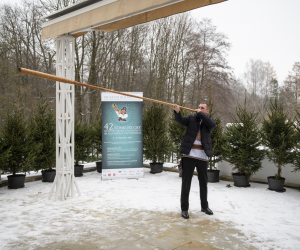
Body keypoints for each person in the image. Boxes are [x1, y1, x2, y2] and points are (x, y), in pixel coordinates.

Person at [172, 103, 216, 219]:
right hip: (189, 154)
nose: (199, 109)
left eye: (202, 108)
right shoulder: (192, 118)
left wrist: (201, 114)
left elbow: (212, 124)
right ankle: (184, 209)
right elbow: (181, 120)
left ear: (207, 111)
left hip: (202, 156)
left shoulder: (209, 122)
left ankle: (204, 206)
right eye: (199, 107)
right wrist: (177, 112)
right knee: (186, 182)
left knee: (203, 182)